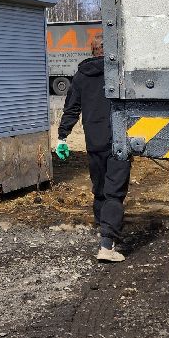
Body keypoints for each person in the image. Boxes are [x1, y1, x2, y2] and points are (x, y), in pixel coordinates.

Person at [56, 33, 129, 262]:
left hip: (93, 142)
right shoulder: (119, 73)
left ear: (92, 50)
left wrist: (62, 137)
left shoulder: (80, 76)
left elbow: (71, 109)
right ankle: (107, 245)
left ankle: (104, 229)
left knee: (99, 188)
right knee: (114, 193)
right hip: (118, 141)